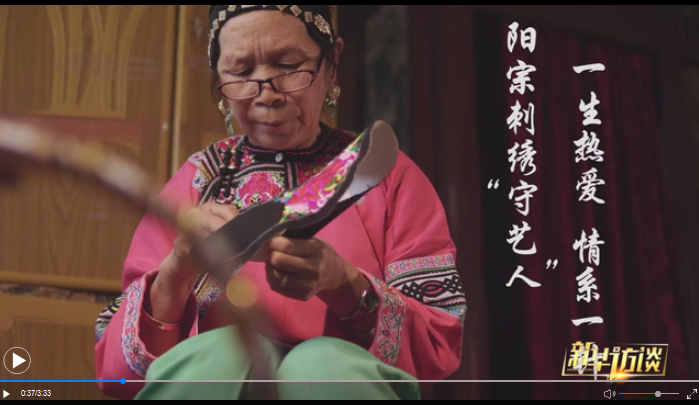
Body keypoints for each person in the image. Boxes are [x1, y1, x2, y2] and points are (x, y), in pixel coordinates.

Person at [94, 5, 466, 400]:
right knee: (223, 355)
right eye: (240, 72)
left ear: (332, 62)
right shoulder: (198, 180)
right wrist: (176, 271)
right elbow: (118, 371)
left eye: (288, 66)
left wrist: (344, 284)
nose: (267, 95)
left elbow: (438, 345)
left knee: (321, 367)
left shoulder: (384, 175)